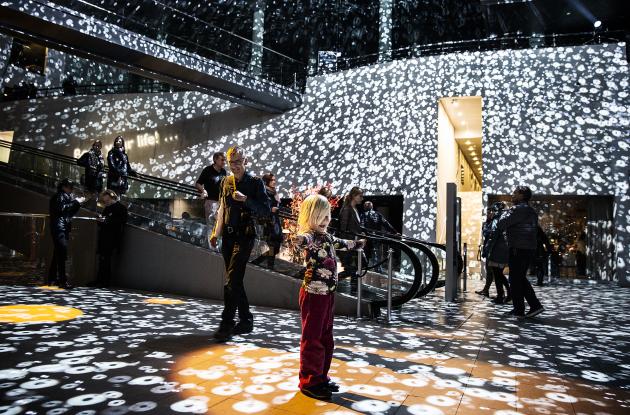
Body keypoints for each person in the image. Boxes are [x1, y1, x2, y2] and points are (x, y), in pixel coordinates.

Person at [294, 194, 365, 400]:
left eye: (328, 215)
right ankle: (309, 380)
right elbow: (304, 240)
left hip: (328, 293)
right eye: (321, 216)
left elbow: (342, 243)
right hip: (313, 294)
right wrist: (299, 239)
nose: (326, 220)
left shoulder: (327, 236)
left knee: (326, 337)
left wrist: (357, 244)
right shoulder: (311, 235)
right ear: (311, 216)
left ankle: (321, 376)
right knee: (312, 337)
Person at [210, 146, 271, 341]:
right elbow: (222, 208)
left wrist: (246, 200)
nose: (234, 165)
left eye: (238, 161)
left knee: (231, 281)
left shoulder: (255, 183)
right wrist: (215, 232)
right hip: (227, 237)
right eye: (231, 162)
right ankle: (246, 320)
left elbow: (266, 211)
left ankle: (226, 324)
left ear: (246, 161)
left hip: (245, 236)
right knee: (235, 280)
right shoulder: (226, 181)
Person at [497, 186, 544, 319]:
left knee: (516, 279)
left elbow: (501, 224)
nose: (512, 195)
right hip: (525, 248)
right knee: (518, 278)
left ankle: (531, 306)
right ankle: (522, 308)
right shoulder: (529, 210)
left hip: (519, 248)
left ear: (522, 195)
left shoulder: (518, 209)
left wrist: (504, 213)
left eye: (515, 193)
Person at [47, 179, 85, 289]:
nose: (71, 190)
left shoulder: (64, 196)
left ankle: (53, 279)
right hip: (59, 227)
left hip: (62, 227)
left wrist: (77, 203)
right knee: (61, 253)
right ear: (64, 187)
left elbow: (69, 212)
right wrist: (76, 202)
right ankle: (62, 281)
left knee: (58, 254)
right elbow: (62, 209)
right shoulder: (59, 196)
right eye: (70, 187)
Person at [96, 190, 128, 287]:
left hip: (111, 237)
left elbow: (121, 222)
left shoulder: (120, 208)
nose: (107, 203)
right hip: (104, 237)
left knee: (106, 259)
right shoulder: (108, 208)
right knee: (102, 259)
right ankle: (100, 280)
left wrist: (107, 221)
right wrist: (101, 220)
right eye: (105, 201)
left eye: (108, 200)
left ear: (112, 198)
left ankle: (104, 281)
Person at [195, 152, 227, 245]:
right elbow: (198, 184)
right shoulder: (208, 170)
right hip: (211, 202)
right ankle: (211, 247)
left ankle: (216, 245)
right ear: (215, 160)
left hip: (221, 203)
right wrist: (203, 191)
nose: (224, 162)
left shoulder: (223, 172)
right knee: (211, 225)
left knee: (220, 226)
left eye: (224, 160)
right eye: (222, 159)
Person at [253, 172, 283, 269]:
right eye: (272, 180)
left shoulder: (274, 191)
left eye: (274, 180)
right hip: (268, 221)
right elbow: (260, 206)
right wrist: (270, 209)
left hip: (275, 221)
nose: (274, 182)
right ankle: (270, 266)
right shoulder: (264, 192)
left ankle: (258, 261)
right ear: (266, 181)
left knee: (276, 246)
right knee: (272, 245)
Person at [483, 202, 511, 304]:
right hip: (503, 249)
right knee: (499, 274)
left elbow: (492, 236)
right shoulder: (505, 218)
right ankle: (507, 293)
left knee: (497, 274)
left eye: (492, 210)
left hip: (496, 250)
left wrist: (488, 250)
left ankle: (501, 295)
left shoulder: (496, 220)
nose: (491, 212)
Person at [338, 187, 364, 281]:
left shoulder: (355, 209)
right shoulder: (347, 209)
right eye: (360, 196)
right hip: (349, 245)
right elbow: (343, 230)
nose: (362, 198)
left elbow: (355, 227)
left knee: (354, 270)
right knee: (351, 270)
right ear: (354, 196)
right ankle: (331, 283)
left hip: (354, 244)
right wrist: (346, 247)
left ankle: (355, 291)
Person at [476, 210, 495, 297]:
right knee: (490, 271)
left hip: (494, 250)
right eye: (488, 213)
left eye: (490, 212)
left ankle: (507, 293)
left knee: (496, 273)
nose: (488, 214)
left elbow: (490, 233)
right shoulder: (487, 223)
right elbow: (486, 234)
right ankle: (486, 290)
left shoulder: (495, 223)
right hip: (488, 249)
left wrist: (487, 231)